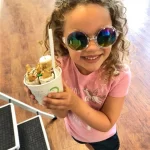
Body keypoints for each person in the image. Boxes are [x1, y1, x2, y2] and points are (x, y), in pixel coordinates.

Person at [24, 0, 131, 150]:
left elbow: (107, 123)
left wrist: (74, 103)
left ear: (116, 34)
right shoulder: (59, 69)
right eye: (78, 39)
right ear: (63, 41)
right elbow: (61, 114)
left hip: (103, 139)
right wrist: (46, 96)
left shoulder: (119, 75)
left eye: (105, 35)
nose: (93, 48)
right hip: (76, 132)